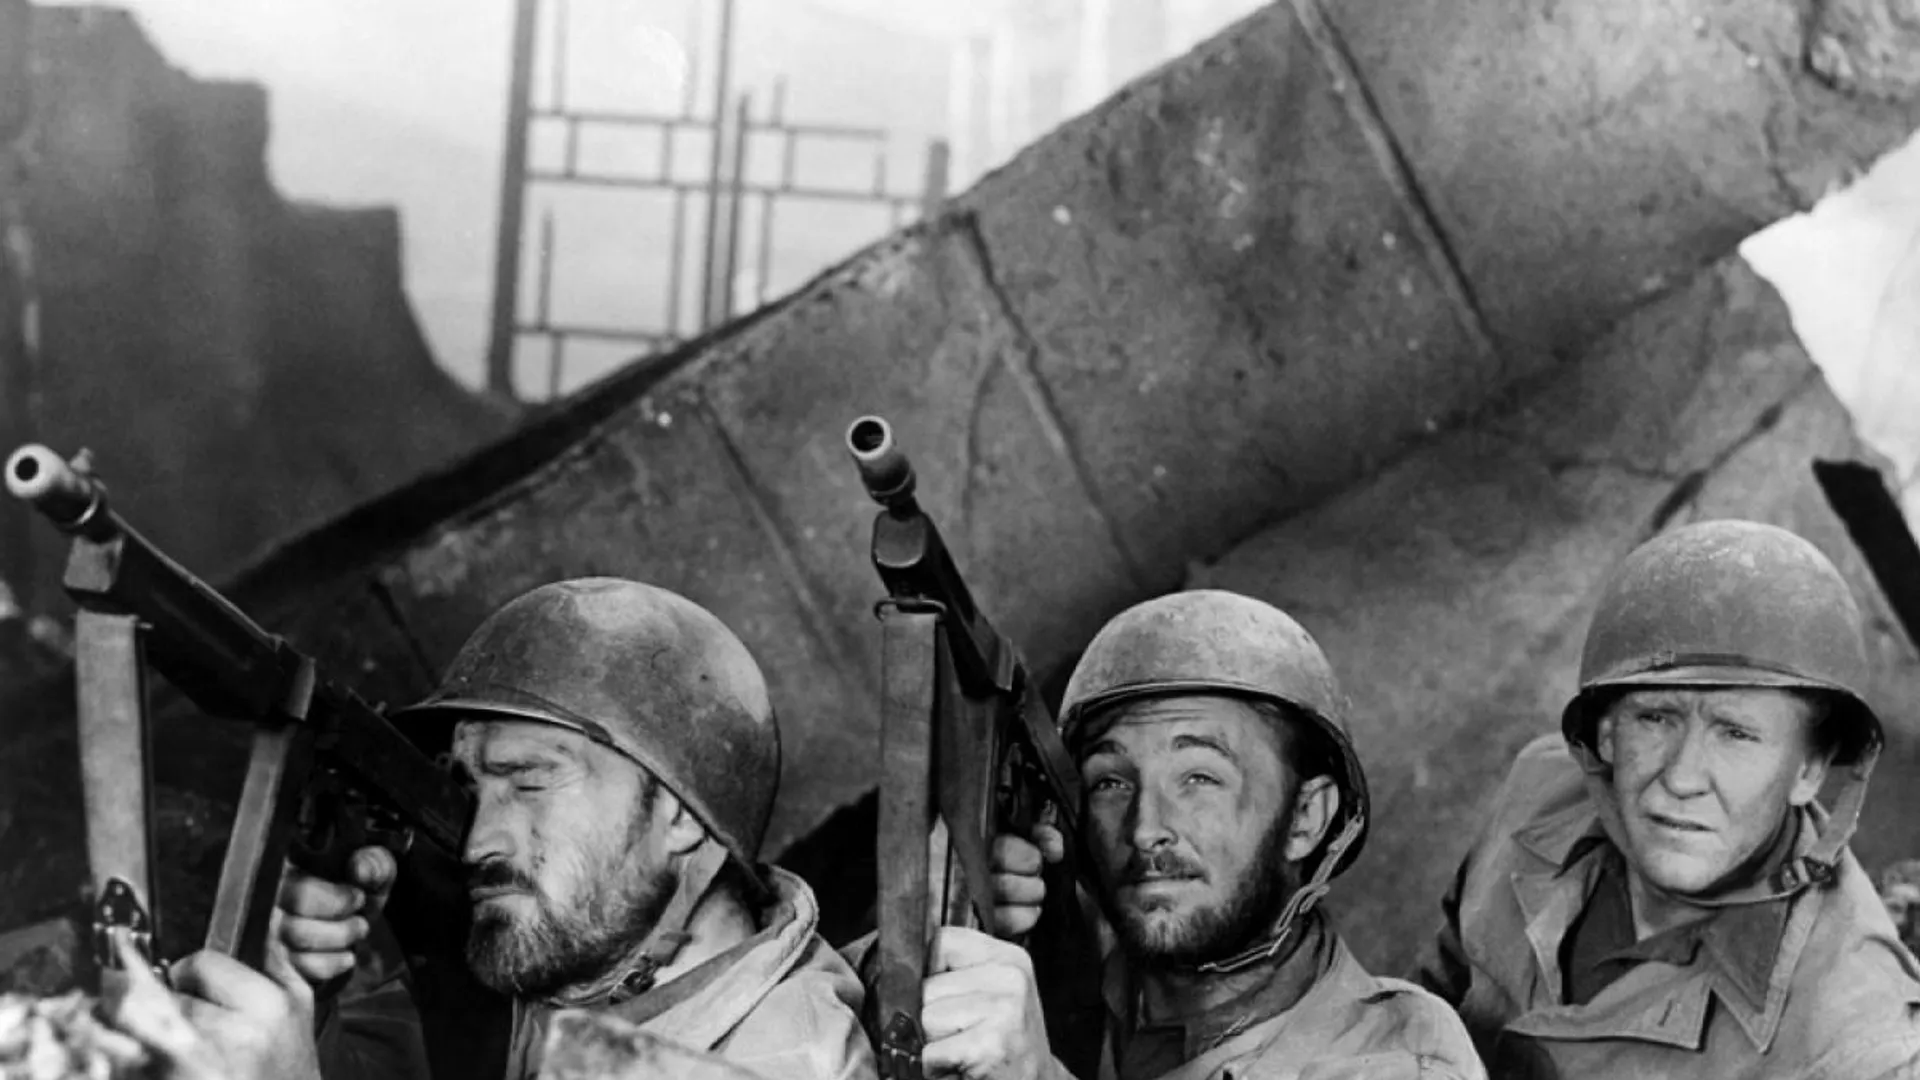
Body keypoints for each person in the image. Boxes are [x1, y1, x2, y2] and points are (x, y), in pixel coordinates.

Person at [274, 577, 876, 1080]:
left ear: (680, 818)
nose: (478, 842)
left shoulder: (789, 1059)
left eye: (530, 782)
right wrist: (306, 1008)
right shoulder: (553, 970)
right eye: (470, 790)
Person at [1413, 519, 1920, 1077]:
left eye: (1736, 734)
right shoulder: (1537, 792)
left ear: (1809, 771)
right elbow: (1430, 1004)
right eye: (1655, 718)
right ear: (1606, 733)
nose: (1681, 778)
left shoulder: (1856, 1046)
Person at [931, 589, 1485, 1079]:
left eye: (1199, 778)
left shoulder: (1401, 1059)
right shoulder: (1085, 969)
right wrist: (949, 919)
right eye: (1111, 782)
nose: (1146, 829)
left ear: (1305, 818)